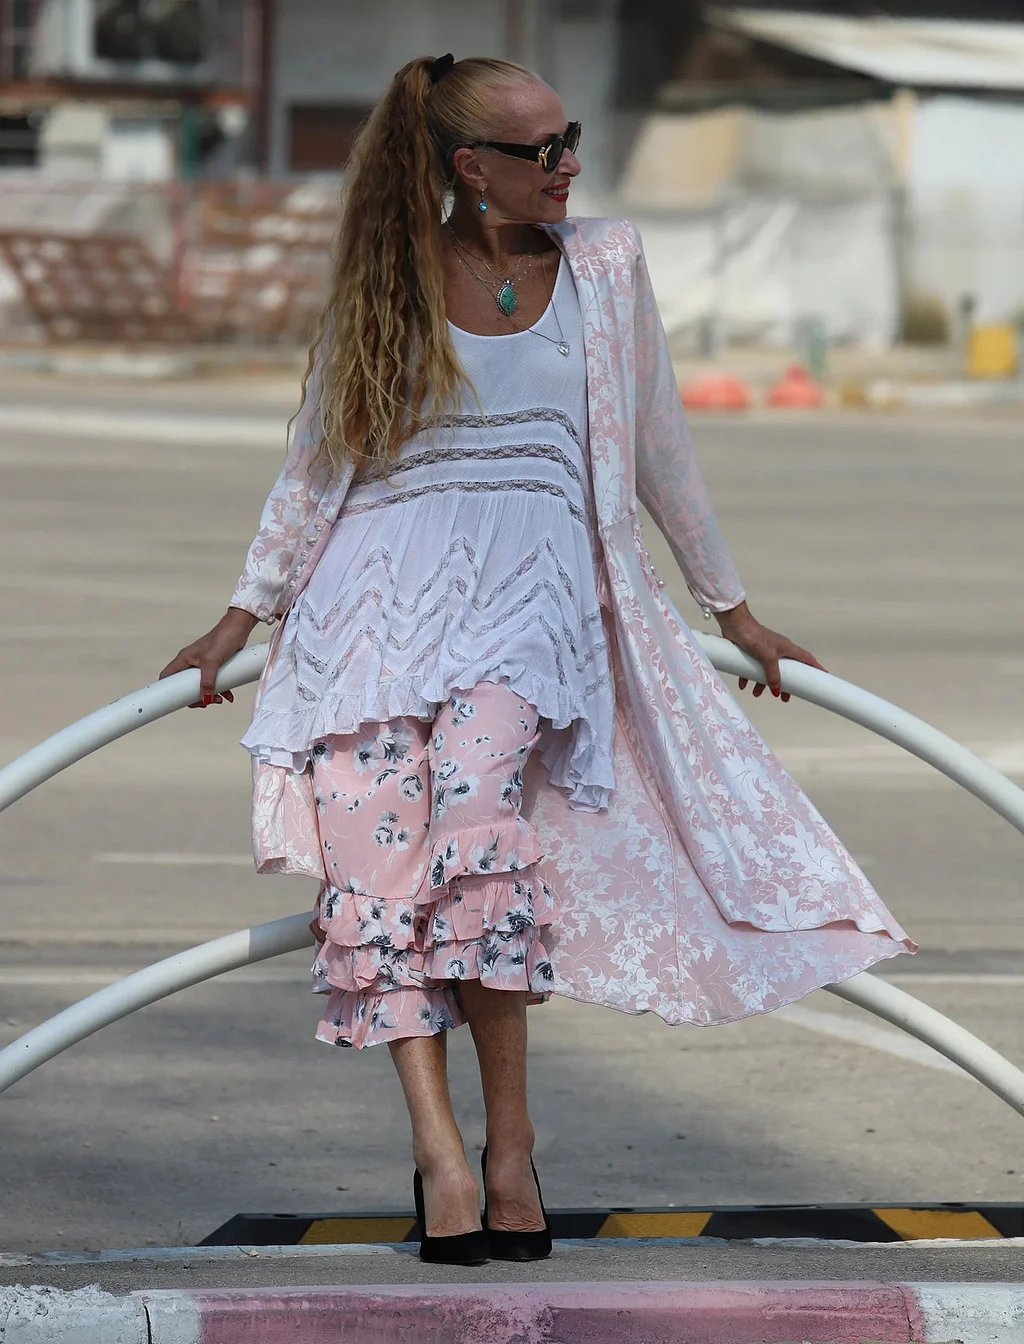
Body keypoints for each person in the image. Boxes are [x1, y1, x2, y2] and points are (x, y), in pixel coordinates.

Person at [160, 54, 913, 1266]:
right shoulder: (391, 273)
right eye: (544, 148)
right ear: (471, 166)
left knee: (476, 841)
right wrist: (240, 618)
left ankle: (510, 1145)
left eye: (569, 140)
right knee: (375, 874)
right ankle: (441, 1157)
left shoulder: (604, 266)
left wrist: (732, 610)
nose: (569, 164)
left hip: (529, 603)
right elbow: (318, 463)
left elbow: (659, 442)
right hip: (369, 609)